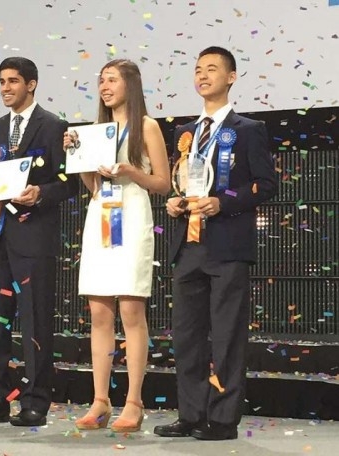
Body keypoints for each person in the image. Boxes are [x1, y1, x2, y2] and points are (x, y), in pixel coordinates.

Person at [154, 46, 278, 440]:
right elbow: (184, 181)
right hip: (187, 246)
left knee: (226, 336)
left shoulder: (248, 130)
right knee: (187, 336)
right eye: (197, 70)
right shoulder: (184, 133)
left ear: (231, 77)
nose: (203, 76)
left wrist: (223, 202)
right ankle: (190, 413)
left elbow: (266, 184)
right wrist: (176, 202)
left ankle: (222, 419)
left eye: (212, 69)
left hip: (227, 247)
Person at [0, 56, 78, 426]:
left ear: (32, 84)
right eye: (2, 81)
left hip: (34, 238)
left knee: (35, 323)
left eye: (13, 81)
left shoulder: (54, 126)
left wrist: (39, 194)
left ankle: (35, 402)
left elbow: (68, 184)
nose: (5, 88)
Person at [64, 59, 170, 433]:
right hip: (101, 217)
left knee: (131, 311)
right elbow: (94, 187)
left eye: (112, 79)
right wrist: (78, 158)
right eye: (101, 81)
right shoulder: (96, 130)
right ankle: (100, 400)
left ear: (131, 84)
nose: (104, 87)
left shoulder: (147, 127)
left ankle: (134, 401)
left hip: (132, 214)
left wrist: (131, 173)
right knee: (99, 313)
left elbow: (163, 184)